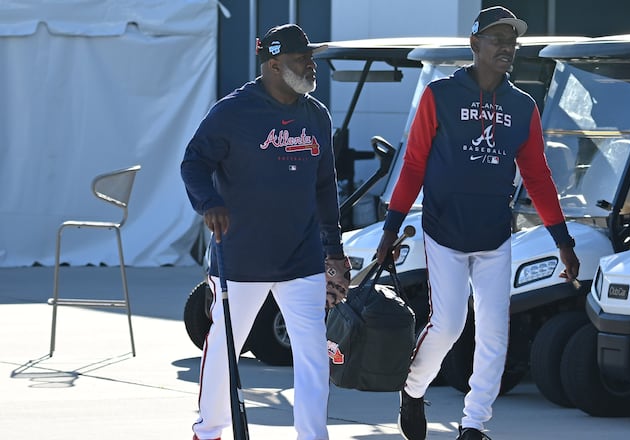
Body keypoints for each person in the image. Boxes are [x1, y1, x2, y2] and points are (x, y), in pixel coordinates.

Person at [375, 6, 580, 440]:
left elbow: (538, 177)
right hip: (443, 230)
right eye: (498, 39)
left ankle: (473, 424)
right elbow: (412, 165)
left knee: (494, 333)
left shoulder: (523, 106)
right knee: (448, 324)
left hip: (494, 235)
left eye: (513, 41)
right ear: (475, 45)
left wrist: (563, 241)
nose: (508, 47)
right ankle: (412, 390)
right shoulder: (440, 95)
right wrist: (390, 229)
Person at [181, 24, 350, 440]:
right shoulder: (234, 112)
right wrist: (210, 203)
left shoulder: (316, 115)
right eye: (300, 59)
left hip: (302, 257)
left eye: (310, 57)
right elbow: (194, 163)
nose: (311, 66)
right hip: (241, 257)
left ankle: (313, 435)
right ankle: (209, 431)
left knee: (313, 355)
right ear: (274, 65)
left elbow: (325, 187)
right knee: (225, 348)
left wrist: (334, 250)